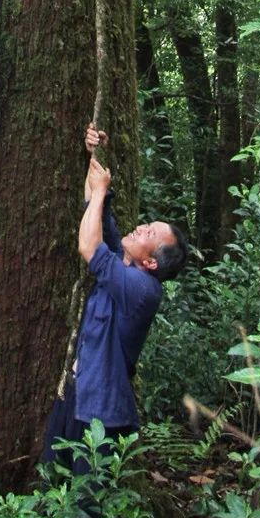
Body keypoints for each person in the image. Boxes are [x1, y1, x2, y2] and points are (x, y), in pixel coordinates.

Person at [42, 123, 189, 472]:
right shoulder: (122, 266)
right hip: (75, 397)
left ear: (151, 261)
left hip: (100, 414)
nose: (140, 227)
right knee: (52, 488)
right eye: (146, 223)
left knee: (86, 514)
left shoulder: (143, 290)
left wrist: (101, 190)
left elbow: (88, 245)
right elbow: (92, 208)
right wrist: (95, 154)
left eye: (149, 232)